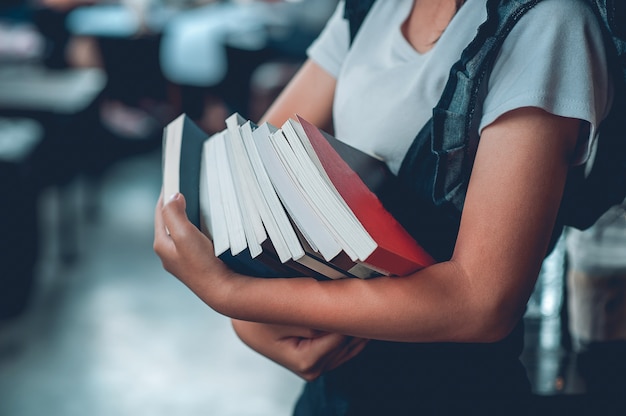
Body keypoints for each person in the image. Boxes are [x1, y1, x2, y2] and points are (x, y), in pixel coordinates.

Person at [153, 0, 612, 414]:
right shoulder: (370, 7)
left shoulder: (547, 23)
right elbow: (253, 177)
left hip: (449, 397)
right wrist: (250, 321)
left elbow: (481, 302)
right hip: (331, 396)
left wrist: (234, 297)